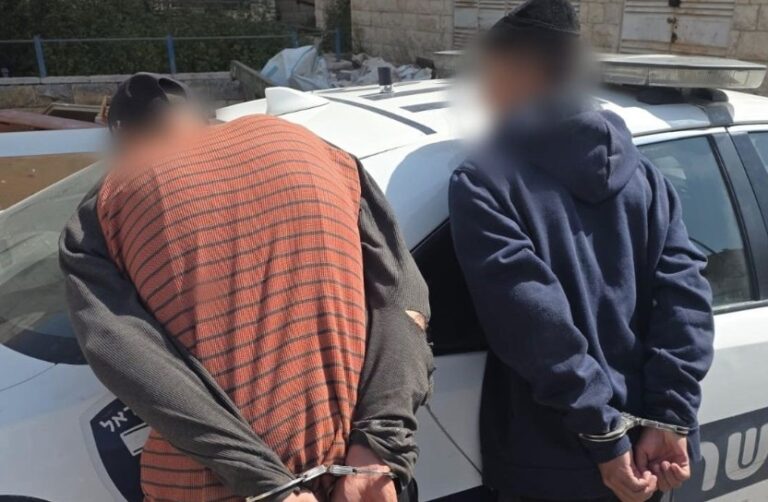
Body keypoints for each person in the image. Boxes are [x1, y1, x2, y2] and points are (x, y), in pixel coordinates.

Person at [60, 73, 433, 502]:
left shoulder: (109, 201)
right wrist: (379, 447)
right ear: (200, 115)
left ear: (124, 139)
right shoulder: (317, 149)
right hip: (362, 482)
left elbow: (129, 356)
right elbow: (403, 303)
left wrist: (271, 485)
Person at [448, 2, 715, 501]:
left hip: (552, 464)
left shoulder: (485, 182)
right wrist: (669, 417)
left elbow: (533, 323)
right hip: (651, 460)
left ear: (521, 70)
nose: (482, 91)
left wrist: (604, 435)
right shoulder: (648, 178)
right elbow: (686, 298)